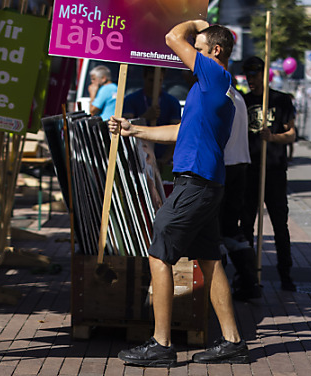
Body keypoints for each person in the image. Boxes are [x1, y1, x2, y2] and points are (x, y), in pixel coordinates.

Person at [109, 20, 248, 366]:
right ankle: (232, 341)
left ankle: (161, 344)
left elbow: (172, 35)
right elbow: (178, 132)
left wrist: (199, 23)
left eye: (198, 50)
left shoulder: (215, 76)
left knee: (159, 254)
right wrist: (134, 129)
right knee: (210, 261)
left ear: (215, 52)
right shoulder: (210, 89)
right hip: (205, 183)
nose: (192, 56)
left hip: (196, 183)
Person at [242, 56, 297, 292]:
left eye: (254, 74)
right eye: (247, 75)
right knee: (245, 226)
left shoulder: (281, 100)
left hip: (274, 170)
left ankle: (285, 274)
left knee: (279, 225)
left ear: (264, 74)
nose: (250, 79)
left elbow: (292, 134)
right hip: (249, 171)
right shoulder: (241, 102)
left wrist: (272, 138)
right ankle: (246, 274)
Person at [222, 83, 258, 301]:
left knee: (215, 229)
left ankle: (236, 282)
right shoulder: (237, 96)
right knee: (229, 228)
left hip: (225, 166)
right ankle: (248, 280)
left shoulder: (221, 95)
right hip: (239, 165)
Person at [123, 66, 181, 176]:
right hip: (138, 156)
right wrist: (145, 117)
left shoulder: (172, 102)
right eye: (151, 80)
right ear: (144, 78)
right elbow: (126, 126)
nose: (155, 84)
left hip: (162, 157)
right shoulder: (131, 100)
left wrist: (164, 159)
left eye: (159, 80)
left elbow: (177, 133)